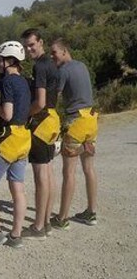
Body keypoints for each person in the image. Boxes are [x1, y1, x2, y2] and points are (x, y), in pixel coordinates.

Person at [0, 41, 32, 251]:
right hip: (24, 139)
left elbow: (7, 114)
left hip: (9, 140)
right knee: (17, 188)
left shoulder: (8, 81)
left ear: (8, 60)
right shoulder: (25, 81)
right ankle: (16, 235)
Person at [50, 39, 99, 228]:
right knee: (89, 167)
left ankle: (61, 218)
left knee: (68, 171)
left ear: (64, 51)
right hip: (91, 119)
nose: (52, 56)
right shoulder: (82, 66)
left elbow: (55, 97)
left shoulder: (63, 70)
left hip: (76, 122)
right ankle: (91, 212)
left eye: (54, 52)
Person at [20, 28, 61, 239]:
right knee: (48, 172)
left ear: (41, 42)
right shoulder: (52, 64)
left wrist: (25, 114)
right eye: (26, 46)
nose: (29, 50)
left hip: (41, 121)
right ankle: (45, 222)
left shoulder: (40, 66)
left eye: (31, 45)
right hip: (53, 119)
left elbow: (40, 101)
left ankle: (37, 226)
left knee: (40, 176)